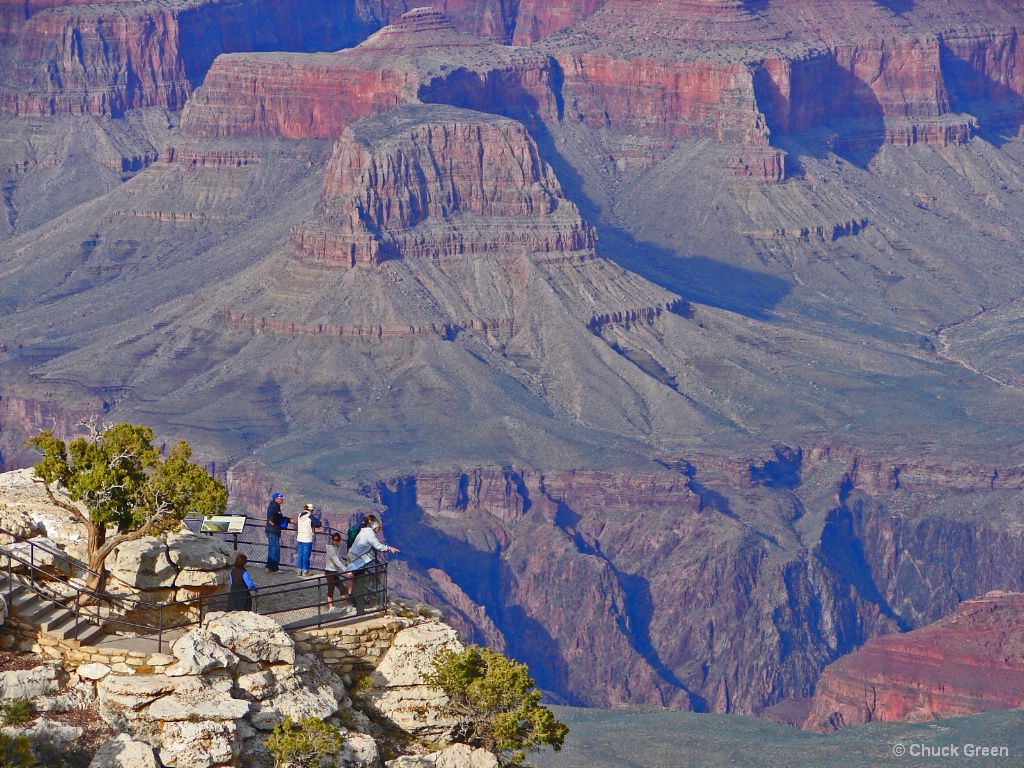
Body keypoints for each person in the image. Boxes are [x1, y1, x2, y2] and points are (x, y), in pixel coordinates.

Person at [339, 514, 399, 616]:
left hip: (352, 555)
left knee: (354, 580)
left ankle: (350, 598)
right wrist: (389, 548)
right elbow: (378, 546)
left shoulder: (364, 531)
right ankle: (359, 609)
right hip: (357, 559)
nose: (380, 530)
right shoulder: (370, 534)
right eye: (380, 527)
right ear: (377, 526)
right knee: (360, 583)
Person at [264, 492, 287, 572]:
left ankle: (269, 566)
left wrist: (288, 520)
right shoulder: (274, 506)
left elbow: (279, 517)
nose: (282, 500)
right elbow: (272, 515)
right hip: (273, 530)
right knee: (275, 549)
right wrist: (271, 520)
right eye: (281, 498)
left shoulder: (275, 506)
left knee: (271, 548)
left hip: (271, 530)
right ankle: (274, 568)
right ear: (276, 499)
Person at [324, 531, 345, 612]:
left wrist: (347, 565)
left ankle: (346, 605)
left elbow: (339, 558)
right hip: (330, 572)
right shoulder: (330, 549)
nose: (335, 541)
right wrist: (345, 569)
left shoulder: (337, 547)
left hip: (335, 572)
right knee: (330, 591)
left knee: (342, 589)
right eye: (334, 540)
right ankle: (331, 607)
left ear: (339, 540)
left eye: (337, 540)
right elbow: (336, 560)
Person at [296, 504, 316, 576]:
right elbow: (317, 523)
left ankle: (299, 570)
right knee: (306, 555)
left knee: (300, 554)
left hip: (300, 537)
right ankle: (305, 571)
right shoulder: (310, 516)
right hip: (307, 538)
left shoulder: (300, 515)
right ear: (311, 509)